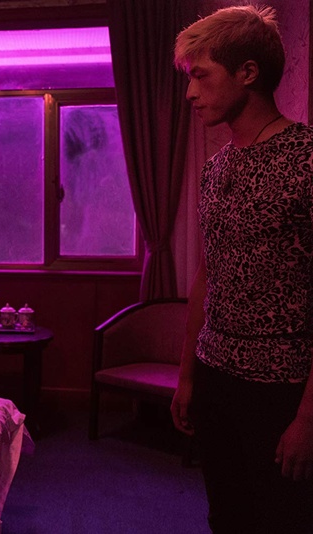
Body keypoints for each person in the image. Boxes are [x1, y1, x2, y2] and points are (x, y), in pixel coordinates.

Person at [171, 6, 313, 533]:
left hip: (282, 385)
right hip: (216, 374)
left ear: (247, 72)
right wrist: (188, 376)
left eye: (201, 76)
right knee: (226, 516)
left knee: (280, 520)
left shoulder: (305, 160)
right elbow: (207, 276)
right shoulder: (216, 168)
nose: (191, 93)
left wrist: (308, 418)